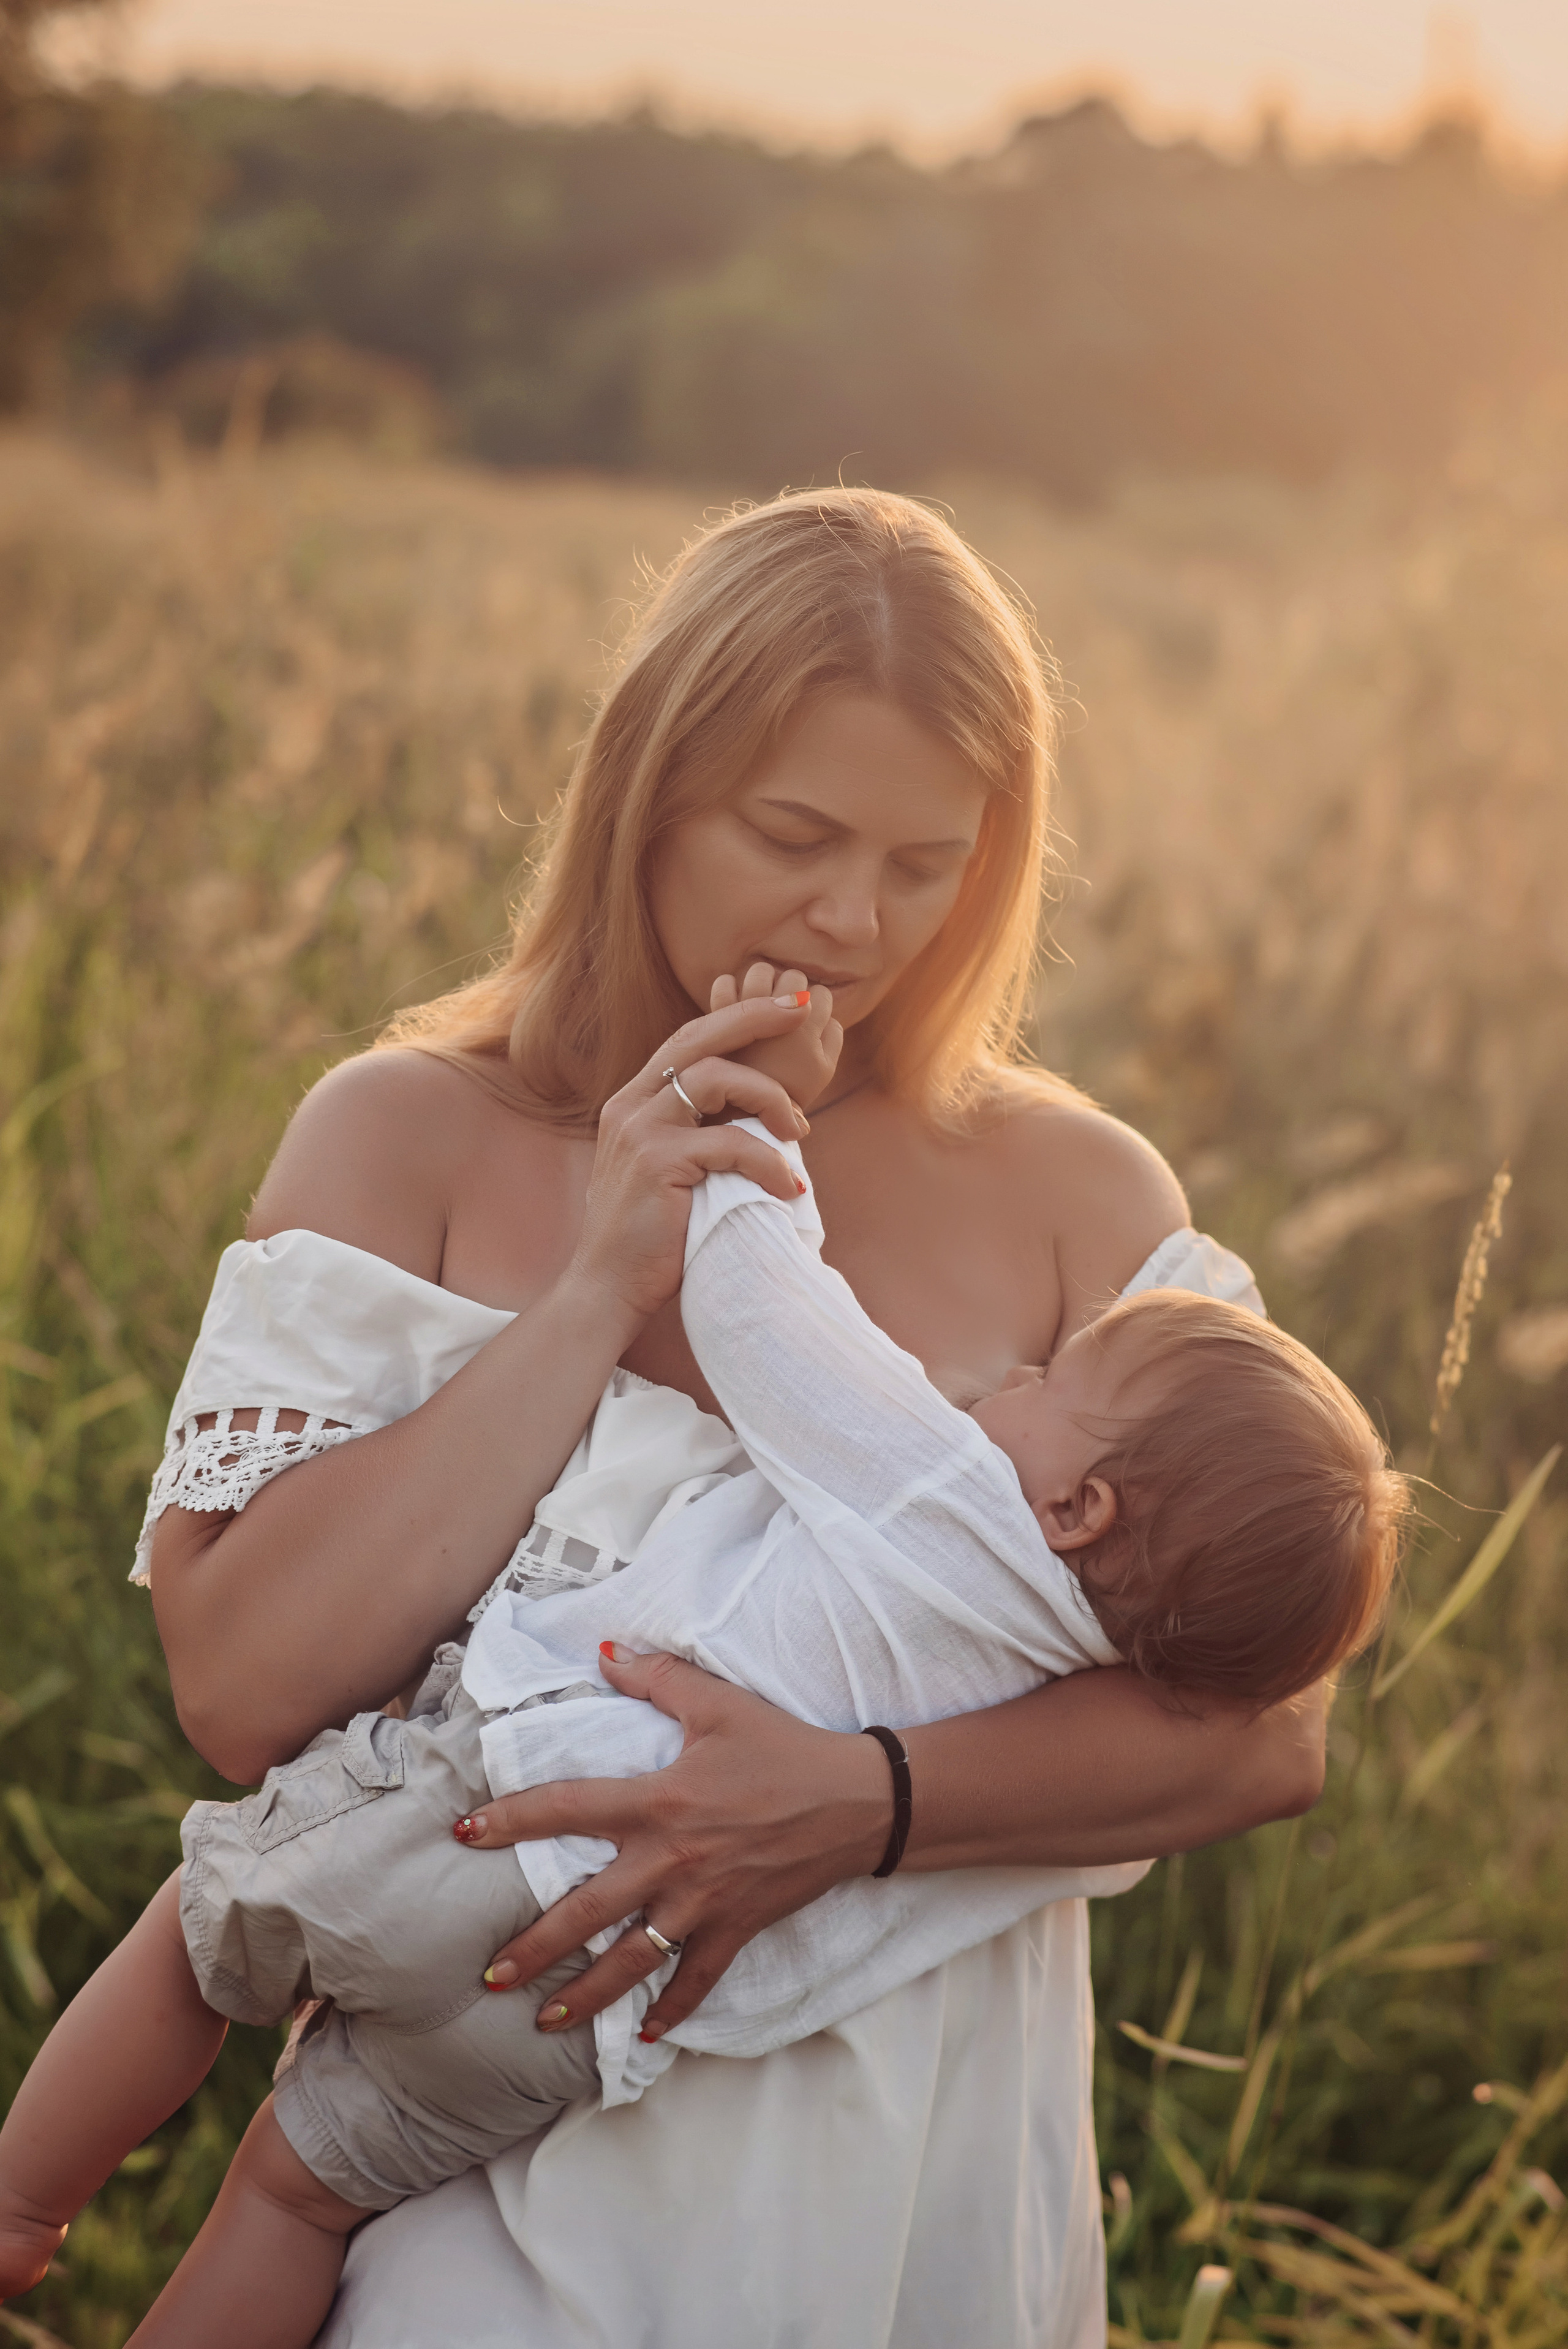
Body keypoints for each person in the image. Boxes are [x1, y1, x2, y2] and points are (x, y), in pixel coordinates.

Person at [65, 490, 1330, 2345]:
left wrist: (859, 1806)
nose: (854, 916)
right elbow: (240, 1685)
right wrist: (594, 1291)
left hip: (921, 2159)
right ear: (645, 787)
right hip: (498, 2155)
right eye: (793, 835)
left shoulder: (1078, 1191)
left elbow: (1265, 1737)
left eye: (927, 860)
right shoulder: (401, 1135)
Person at [0, 1008, 1404, 2340]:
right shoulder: (1097, 1659)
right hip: (597, 2015)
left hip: (491, 1827)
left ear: (1080, 1509)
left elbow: (769, 1316)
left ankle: (21, 2205)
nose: (1005, 1386)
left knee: (203, 1929)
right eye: (800, 838)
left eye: (1048, 1384)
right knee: (288, 2194)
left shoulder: (944, 1492)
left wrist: (744, 1139)